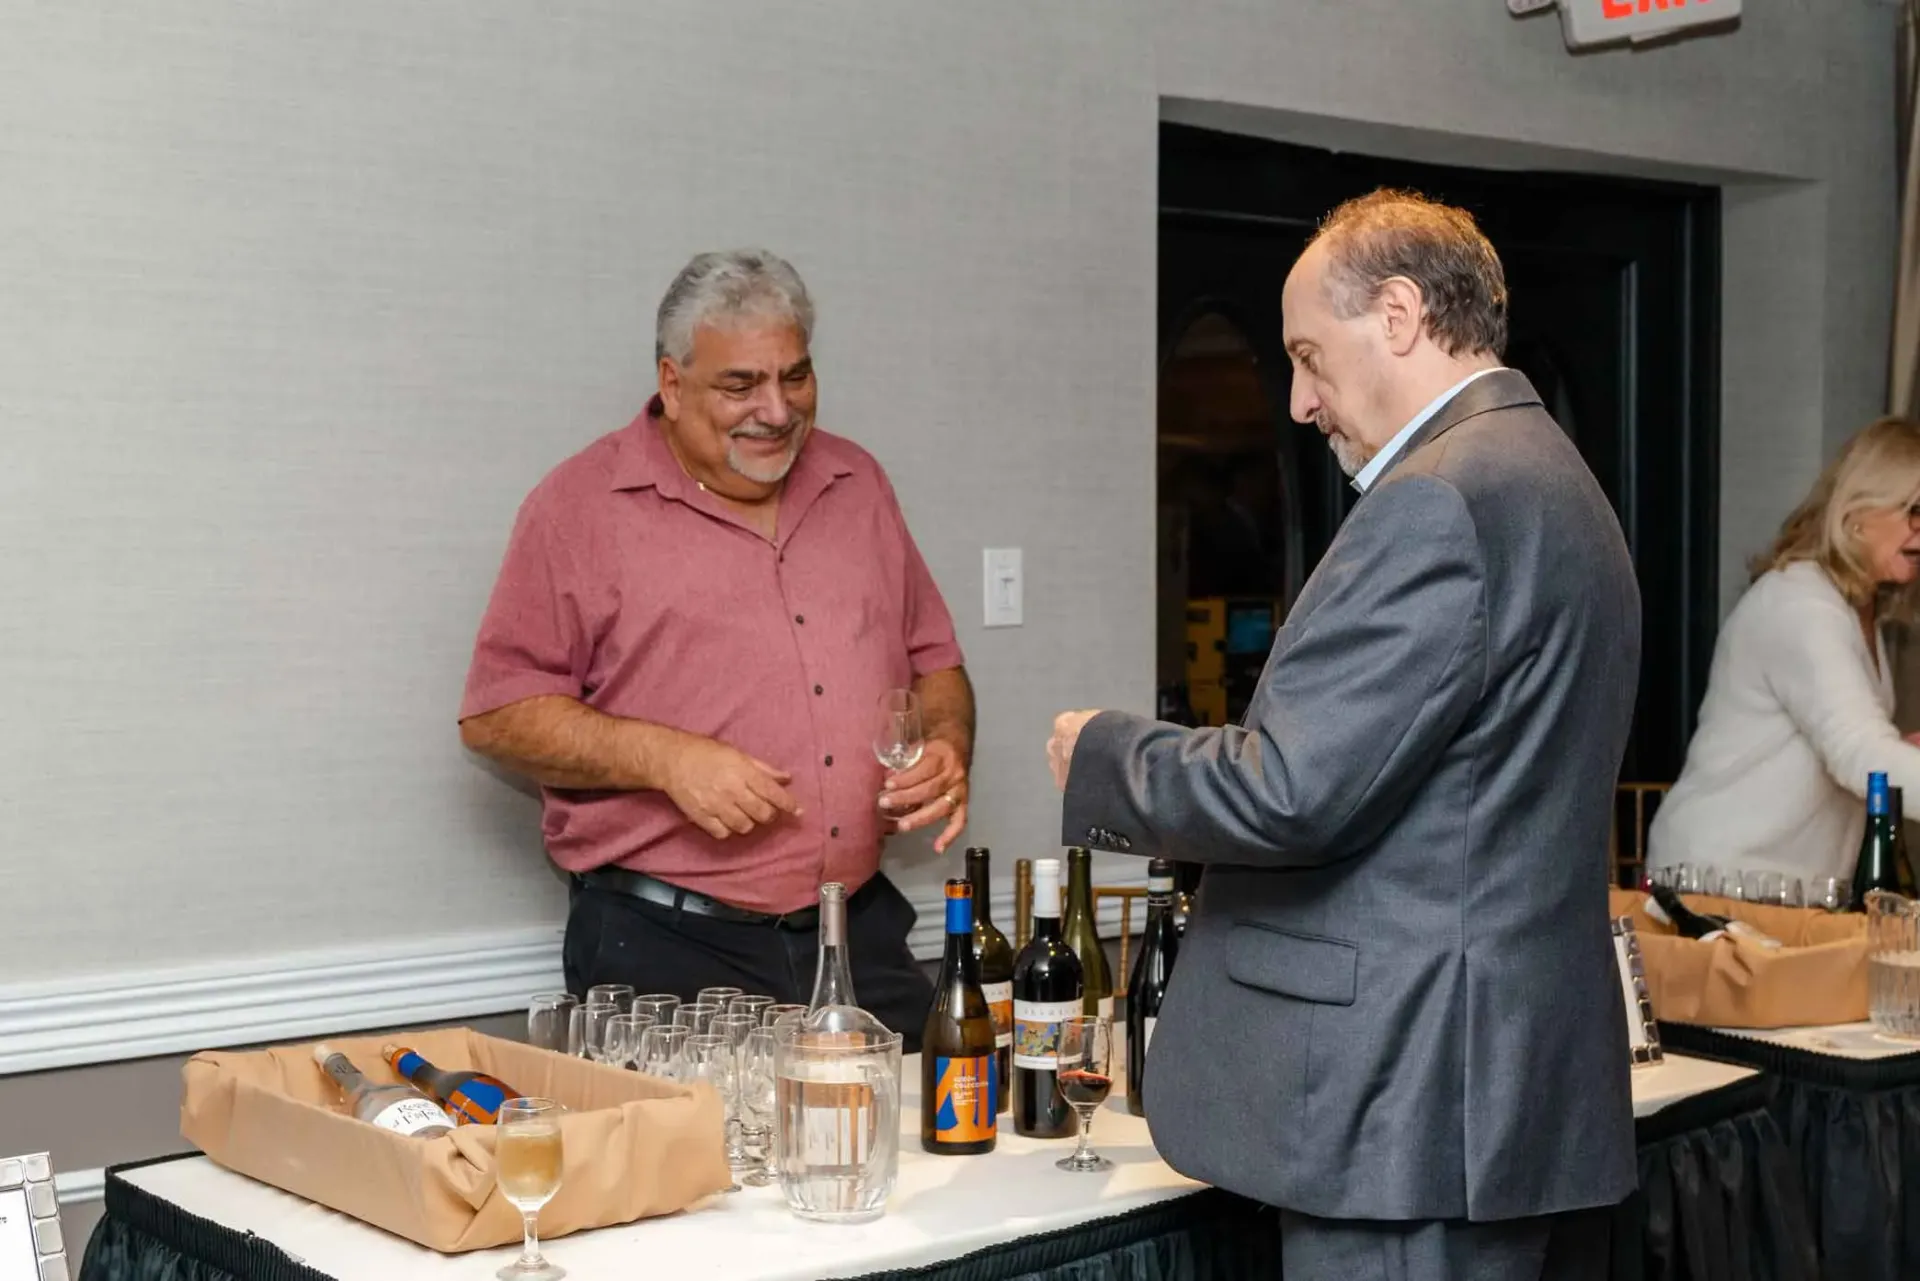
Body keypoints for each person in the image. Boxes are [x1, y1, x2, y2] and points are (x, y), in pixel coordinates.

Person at [1046, 190, 1639, 1281]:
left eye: (1310, 356)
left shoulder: (1439, 500)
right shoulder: (1553, 476)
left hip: (1405, 1105)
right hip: (1490, 1091)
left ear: (1401, 315)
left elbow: (1293, 792)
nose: (1301, 401)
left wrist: (1104, 753)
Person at [458, 249, 974, 1048]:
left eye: (794, 377)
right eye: (740, 385)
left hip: (856, 933)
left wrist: (946, 743)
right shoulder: (578, 508)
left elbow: (934, 661)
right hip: (668, 949)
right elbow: (497, 715)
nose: (776, 410)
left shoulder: (857, 481)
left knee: (920, 1158)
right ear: (672, 383)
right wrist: (666, 758)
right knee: (704, 1175)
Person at [1648, 418, 1920, 885]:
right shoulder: (1801, 605)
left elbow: (1857, 744)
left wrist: (1895, 752)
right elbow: (1861, 755)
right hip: (1718, 886)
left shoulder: (1854, 606)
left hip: (1779, 890)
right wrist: (1883, 754)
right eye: (1914, 511)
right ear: (1857, 510)